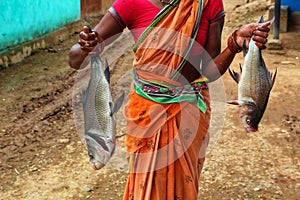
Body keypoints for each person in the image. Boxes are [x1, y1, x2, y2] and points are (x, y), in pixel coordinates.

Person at [69, 0, 271, 199]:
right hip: (146, 113)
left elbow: (208, 71)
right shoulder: (131, 3)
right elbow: (76, 59)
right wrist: (86, 47)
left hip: (190, 112)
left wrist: (234, 43)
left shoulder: (207, 3)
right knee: (145, 186)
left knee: (182, 187)